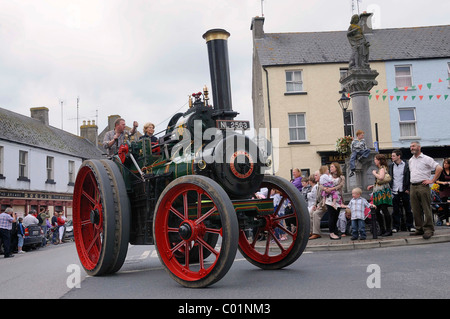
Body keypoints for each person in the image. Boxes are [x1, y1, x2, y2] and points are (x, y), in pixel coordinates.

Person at [409, 141, 443, 239]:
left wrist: (432, 180)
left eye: (413, 146)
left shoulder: (426, 158)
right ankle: (419, 228)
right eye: (410, 146)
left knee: (426, 207)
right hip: (413, 185)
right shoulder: (411, 160)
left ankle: (428, 229)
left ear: (419, 147)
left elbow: (439, 168)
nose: (411, 148)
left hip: (423, 185)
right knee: (415, 209)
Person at [367, 154, 393, 236]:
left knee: (384, 210)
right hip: (379, 191)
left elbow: (381, 177)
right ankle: (383, 229)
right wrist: (373, 185)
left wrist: (374, 173)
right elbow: (380, 180)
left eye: (375, 159)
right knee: (378, 211)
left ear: (379, 160)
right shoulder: (381, 168)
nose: (374, 161)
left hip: (382, 192)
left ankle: (388, 230)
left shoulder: (382, 168)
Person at [389, 149, 415, 232]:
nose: (391, 157)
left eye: (393, 156)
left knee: (408, 209)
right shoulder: (391, 166)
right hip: (394, 190)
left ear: (398, 156)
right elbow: (390, 177)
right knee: (395, 210)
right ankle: (396, 227)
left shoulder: (406, 165)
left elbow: (410, 177)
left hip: (404, 190)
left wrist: (408, 188)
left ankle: (410, 226)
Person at [322, 162, 346, 240]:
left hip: (338, 198)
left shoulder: (341, 177)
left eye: (332, 167)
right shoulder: (327, 176)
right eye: (330, 167)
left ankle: (335, 231)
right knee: (331, 216)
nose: (330, 168)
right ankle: (331, 233)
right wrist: (325, 189)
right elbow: (321, 184)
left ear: (336, 168)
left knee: (336, 215)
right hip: (329, 198)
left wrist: (331, 189)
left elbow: (340, 185)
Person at [309, 170, 327, 240]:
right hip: (319, 204)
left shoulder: (323, 184)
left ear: (320, 176)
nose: (314, 177)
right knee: (310, 212)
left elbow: (325, 197)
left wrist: (319, 205)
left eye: (316, 175)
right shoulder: (318, 184)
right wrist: (315, 205)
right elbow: (317, 197)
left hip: (325, 204)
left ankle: (316, 233)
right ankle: (311, 232)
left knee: (316, 214)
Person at [436, 158, 450, 226]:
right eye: (444, 163)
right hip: (443, 190)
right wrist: (443, 182)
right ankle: (447, 220)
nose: (445, 165)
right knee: (445, 205)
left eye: (447, 163)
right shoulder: (441, 171)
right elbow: (437, 181)